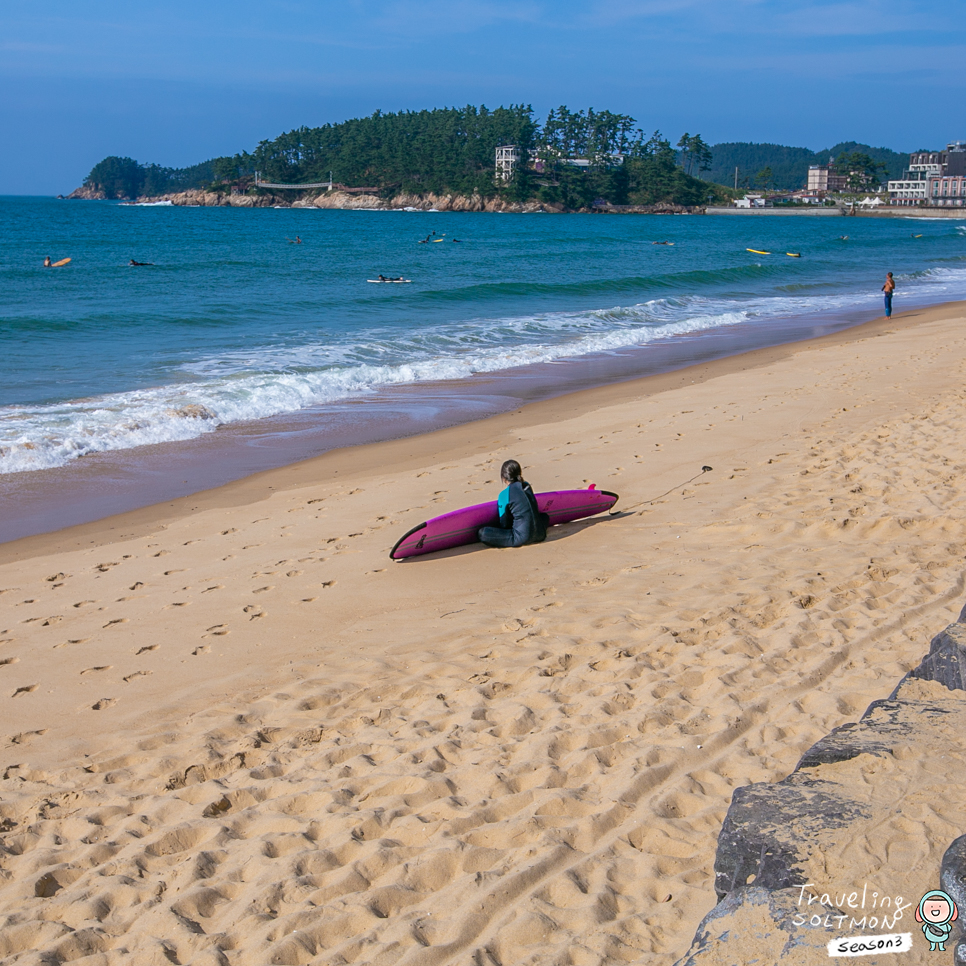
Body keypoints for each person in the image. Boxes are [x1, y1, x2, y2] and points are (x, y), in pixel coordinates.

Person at [478, 460, 549, 548]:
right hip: (541, 533)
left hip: (521, 538)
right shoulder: (527, 486)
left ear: (503, 478)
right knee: (544, 516)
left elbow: (504, 524)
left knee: (483, 533)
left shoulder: (504, 494)